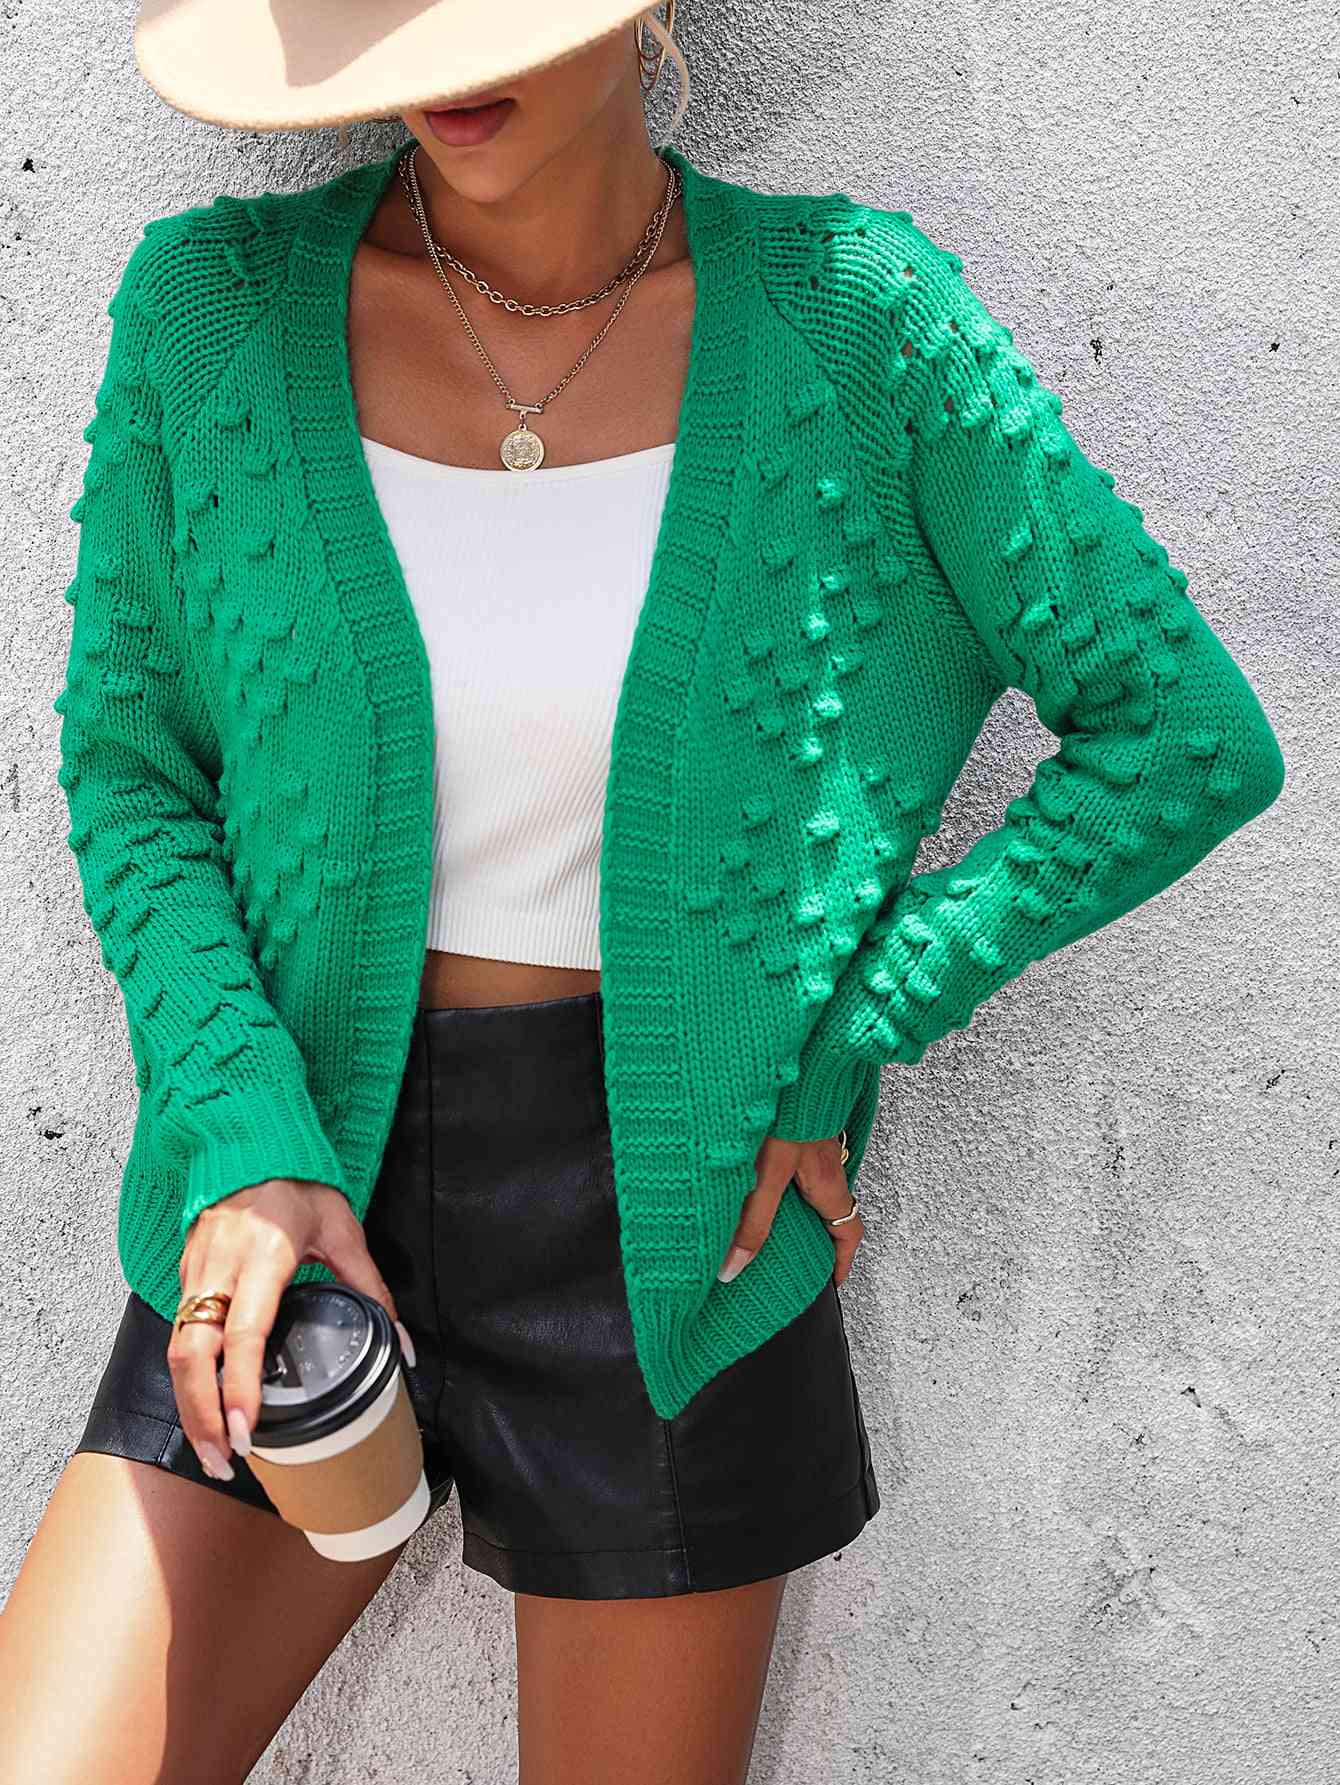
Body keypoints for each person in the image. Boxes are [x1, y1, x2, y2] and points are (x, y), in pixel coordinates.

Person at [1, 2, 1285, 1781]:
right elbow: (134, 771)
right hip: (289, 1191)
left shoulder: (859, 322)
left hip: (678, 1239)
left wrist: (858, 1022)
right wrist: (240, 1128)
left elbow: (1182, 734)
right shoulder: (209, 308)